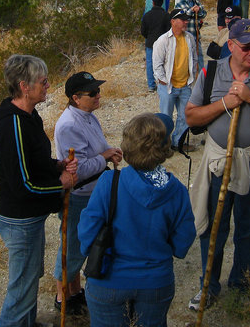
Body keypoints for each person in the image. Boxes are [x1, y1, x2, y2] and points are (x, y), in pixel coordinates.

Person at [184, 19, 250, 310]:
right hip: (219, 161)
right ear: (231, 45)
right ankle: (209, 287)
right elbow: (191, 117)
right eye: (247, 47)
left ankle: (241, 286)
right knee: (214, 229)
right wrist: (225, 104)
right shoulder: (211, 72)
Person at [78, 113, 196, 327]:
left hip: (108, 279)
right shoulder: (176, 190)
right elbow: (182, 244)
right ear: (165, 149)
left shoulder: (109, 182)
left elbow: (86, 234)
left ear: (128, 147)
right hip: (155, 283)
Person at [0, 55, 78, 327]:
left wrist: (56, 165)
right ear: (24, 86)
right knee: (21, 289)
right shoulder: (13, 125)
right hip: (20, 219)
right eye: (43, 82)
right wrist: (60, 182)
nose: (49, 85)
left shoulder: (29, 116)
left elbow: (33, 162)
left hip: (28, 217)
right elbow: (22, 184)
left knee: (29, 280)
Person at [52, 72, 123, 316]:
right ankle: (63, 298)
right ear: (75, 98)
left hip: (93, 191)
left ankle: (75, 291)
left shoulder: (87, 116)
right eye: (92, 93)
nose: (98, 96)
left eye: (97, 90)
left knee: (81, 245)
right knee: (72, 247)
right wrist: (104, 157)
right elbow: (78, 170)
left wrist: (108, 152)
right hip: (80, 195)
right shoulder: (70, 124)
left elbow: (95, 150)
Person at [153, 8, 197, 150]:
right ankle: (163, 145)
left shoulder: (190, 38)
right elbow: (157, 64)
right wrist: (163, 81)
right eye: (182, 19)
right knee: (165, 117)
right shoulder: (163, 40)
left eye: (186, 19)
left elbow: (194, 58)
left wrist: (193, 75)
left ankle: (178, 142)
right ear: (173, 21)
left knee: (185, 116)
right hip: (168, 87)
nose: (186, 22)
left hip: (185, 86)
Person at [141, 0, 171, 93]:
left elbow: (143, 31)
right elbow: (169, 30)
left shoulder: (147, 15)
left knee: (150, 63)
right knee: (164, 63)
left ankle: (151, 85)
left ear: (153, 3)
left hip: (150, 42)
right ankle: (163, 82)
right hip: (164, 43)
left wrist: (148, 37)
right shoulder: (166, 16)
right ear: (162, 3)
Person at [175, 0, 207, 68]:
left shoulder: (196, 2)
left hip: (195, 34)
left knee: (199, 56)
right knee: (186, 57)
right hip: (185, 35)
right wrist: (191, 11)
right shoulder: (180, 4)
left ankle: (201, 75)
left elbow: (204, 14)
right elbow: (182, 15)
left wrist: (198, 11)